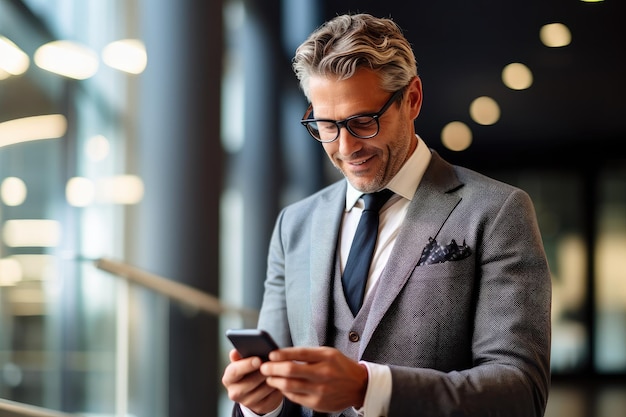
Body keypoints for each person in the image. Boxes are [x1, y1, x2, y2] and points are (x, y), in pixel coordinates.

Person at [221, 13, 551, 417]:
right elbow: (276, 380)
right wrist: (260, 406)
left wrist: (368, 387)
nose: (345, 147)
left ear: (412, 99)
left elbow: (520, 391)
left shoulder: (497, 212)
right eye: (326, 125)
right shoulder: (295, 225)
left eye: (363, 121)